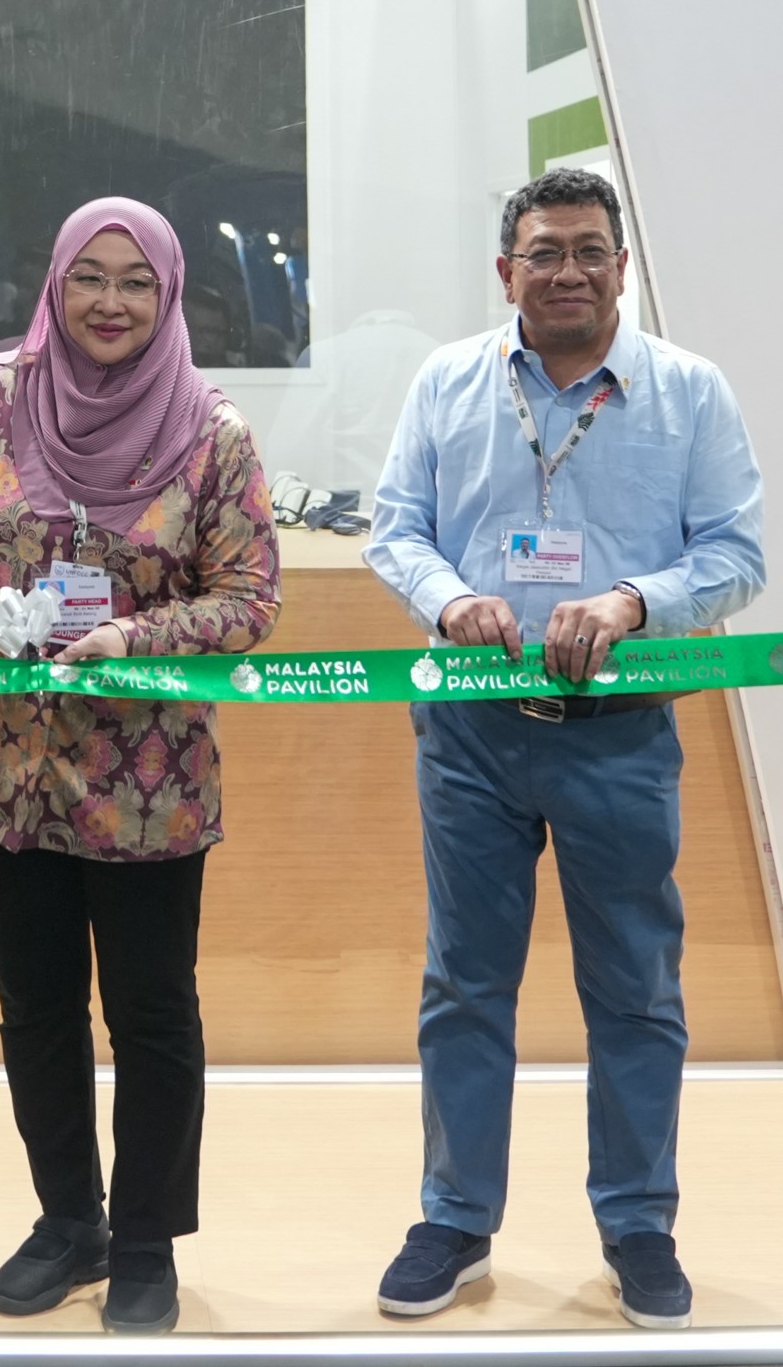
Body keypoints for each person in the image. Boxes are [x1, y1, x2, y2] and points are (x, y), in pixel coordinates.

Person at [366, 166, 763, 1332]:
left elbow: (738, 554)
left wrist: (637, 601)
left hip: (621, 740)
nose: (570, 270)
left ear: (621, 267)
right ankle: (454, 1220)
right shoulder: (447, 383)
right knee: (465, 986)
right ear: (508, 273)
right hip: (472, 737)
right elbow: (395, 529)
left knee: (636, 990)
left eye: (591, 249)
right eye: (545, 252)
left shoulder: (689, 394)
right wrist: (448, 602)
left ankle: (639, 1227)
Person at [0, 198, 280, 1335]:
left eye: (137, 283)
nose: (110, 303)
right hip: (8, 766)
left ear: (167, 297)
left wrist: (135, 638)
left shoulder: (215, 434)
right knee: (35, 1006)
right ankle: (70, 1220)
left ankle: (148, 1237)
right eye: (88, 279)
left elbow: (251, 599)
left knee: (153, 1011)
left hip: (149, 778)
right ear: (54, 285)